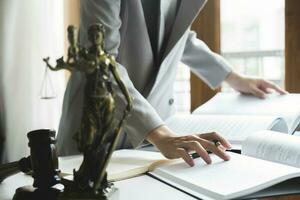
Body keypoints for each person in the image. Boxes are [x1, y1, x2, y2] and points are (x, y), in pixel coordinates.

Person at [57, 0, 287, 167]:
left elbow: (179, 37)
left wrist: (233, 77)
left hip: (152, 138)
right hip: (97, 125)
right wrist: (160, 134)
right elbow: (100, 61)